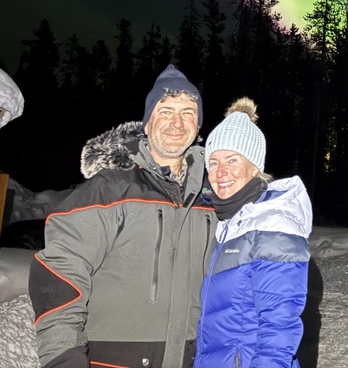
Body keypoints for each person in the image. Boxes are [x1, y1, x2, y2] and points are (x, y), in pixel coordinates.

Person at [29, 64, 216, 368]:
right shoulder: (109, 189)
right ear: (146, 123)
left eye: (188, 112)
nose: (177, 122)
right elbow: (59, 275)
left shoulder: (213, 196)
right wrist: (64, 357)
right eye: (166, 111)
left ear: (198, 126)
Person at [194, 97, 313, 368]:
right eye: (213, 162)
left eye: (232, 160)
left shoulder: (274, 224)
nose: (220, 172)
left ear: (255, 166)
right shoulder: (227, 223)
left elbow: (279, 328)